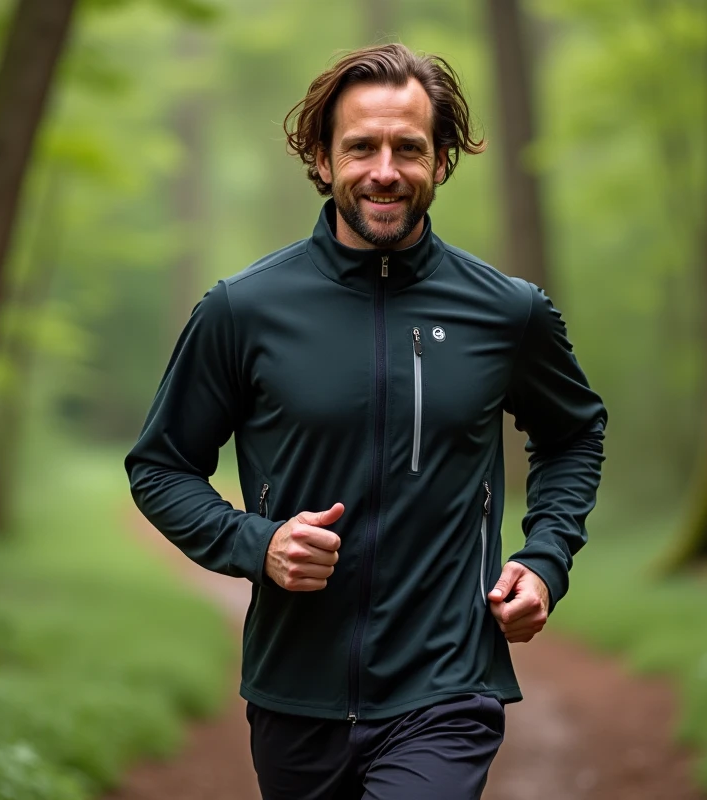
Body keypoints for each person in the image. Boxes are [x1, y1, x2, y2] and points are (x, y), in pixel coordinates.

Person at [125, 42, 606, 800]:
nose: (385, 169)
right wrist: (259, 545)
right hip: (295, 693)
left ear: (441, 160)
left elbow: (573, 433)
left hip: (446, 686)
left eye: (408, 148)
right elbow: (159, 466)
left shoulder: (507, 312)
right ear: (321, 158)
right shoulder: (244, 310)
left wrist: (545, 559)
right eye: (361, 147)